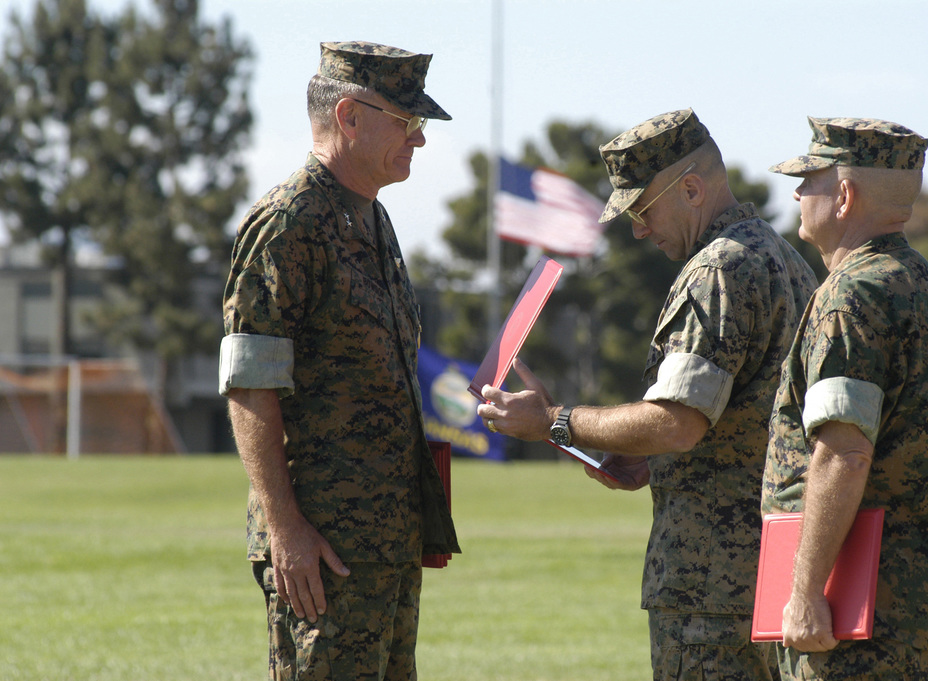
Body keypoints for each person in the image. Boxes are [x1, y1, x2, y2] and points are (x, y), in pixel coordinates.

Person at [478, 109, 817, 681]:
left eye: (642, 209)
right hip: (772, 568)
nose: (638, 229)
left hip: (713, 586)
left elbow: (676, 424)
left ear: (691, 188)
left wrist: (553, 421)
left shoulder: (717, 269)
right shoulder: (781, 258)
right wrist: (648, 458)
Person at [218, 41, 459, 680]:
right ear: (349, 116)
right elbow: (249, 384)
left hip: (386, 539)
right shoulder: (289, 223)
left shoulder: (370, 218)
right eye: (407, 123)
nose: (419, 141)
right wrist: (285, 528)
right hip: (323, 545)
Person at [761, 117, 928, 680]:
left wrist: (806, 592)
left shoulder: (852, 296)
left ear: (844, 195)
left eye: (809, 178)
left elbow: (844, 453)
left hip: (857, 624)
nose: (796, 192)